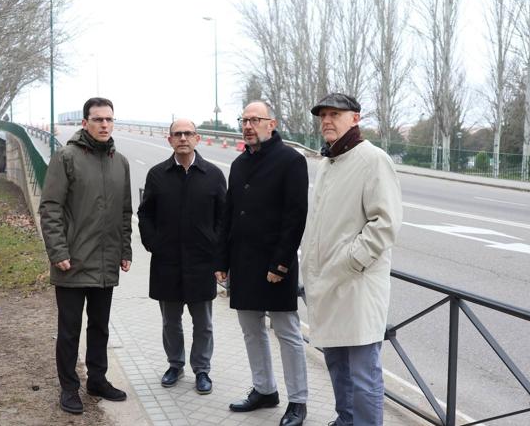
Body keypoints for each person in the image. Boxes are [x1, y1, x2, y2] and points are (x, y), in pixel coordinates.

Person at [300, 93, 403, 426]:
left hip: (356, 286)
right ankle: (345, 421)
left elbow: (385, 223)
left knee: (363, 374)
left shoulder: (373, 159)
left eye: (335, 114)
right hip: (329, 284)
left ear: (355, 118)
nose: (327, 120)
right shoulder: (328, 161)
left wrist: (349, 261)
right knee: (337, 366)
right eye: (323, 115)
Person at [215, 101, 309, 426]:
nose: (247, 125)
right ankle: (264, 389)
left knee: (287, 332)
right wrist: (222, 260)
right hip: (242, 262)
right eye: (243, 120)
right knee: (251, 331)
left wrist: (281, 263)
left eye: (255, 120)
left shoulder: (291, 161)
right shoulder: (239, 164)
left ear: (272, 123)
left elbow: (295, 217)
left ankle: (298, 401)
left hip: (275, 265)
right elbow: (229, 214)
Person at [39, 97, 132, 414]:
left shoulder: (120, 162)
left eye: (109, 119)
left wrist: (126, 249)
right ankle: (68, 388)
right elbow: (50, 207)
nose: (104, 125)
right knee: (69, 330)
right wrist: (58, 252)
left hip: (106, 262)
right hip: (72, 262)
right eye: (98, 119)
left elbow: (124, 211)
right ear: (85, 122)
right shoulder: (66, 157)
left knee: (101, 327)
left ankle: (97, 379)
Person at [138, 118, 226, 394]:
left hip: (201, 262)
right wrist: (154, 243)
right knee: (170, 321)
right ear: (170, 140)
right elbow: (145, 213)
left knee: (203, 323)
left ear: (197, 139)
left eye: (188, 133)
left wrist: (218, 254)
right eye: (178, 134)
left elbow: (223, 219)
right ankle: (175, 365)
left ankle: (202, 370)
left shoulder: (212, 175)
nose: (183, 138)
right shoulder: (157, 174)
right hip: (167, 262)